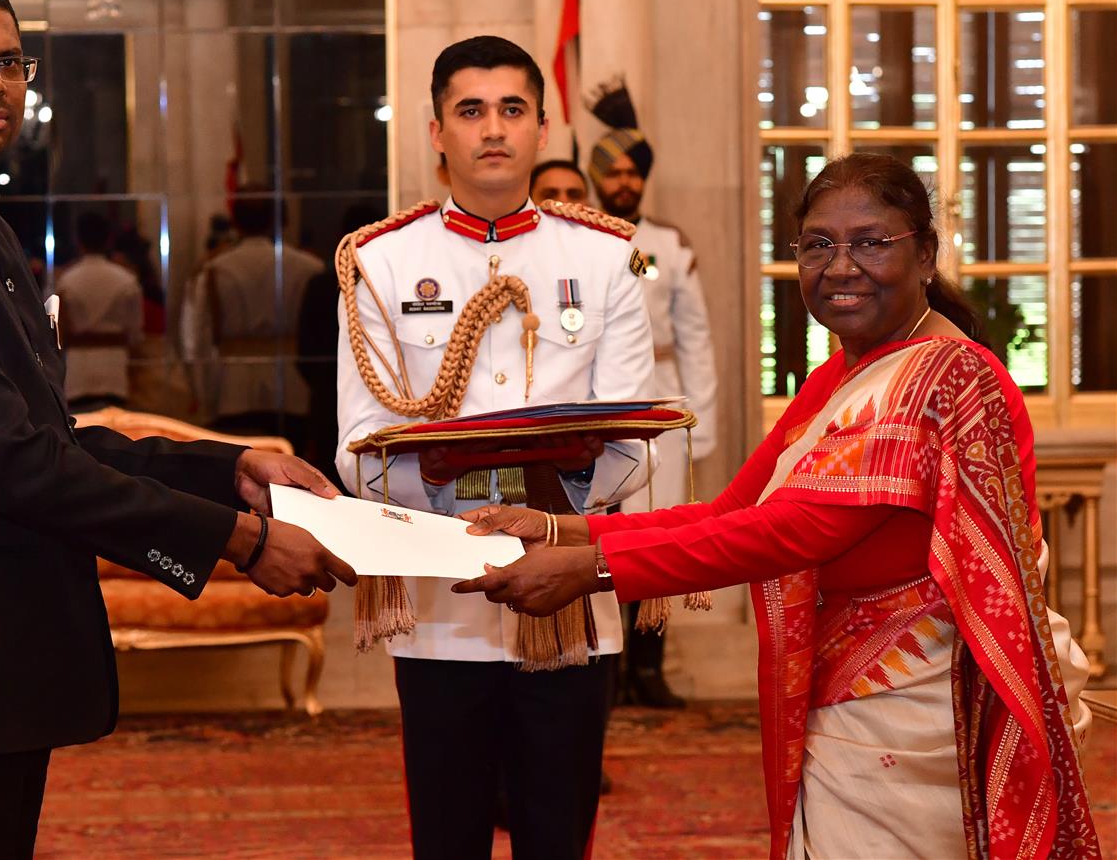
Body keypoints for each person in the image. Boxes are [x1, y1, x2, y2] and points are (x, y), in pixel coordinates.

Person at [0, 0, 355, 859]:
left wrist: (228, 468)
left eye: (11, 62)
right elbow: (16, 463)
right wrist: (240, 540)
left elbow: (50, 439)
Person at [454, 152, 1098, 859]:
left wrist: (590, 571)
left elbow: (792, 532)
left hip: (927, 713)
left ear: (925, 255)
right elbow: (733, 510)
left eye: (871, 242)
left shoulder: (947, 378)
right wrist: (559, 527)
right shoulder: (840, 375)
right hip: (850, 701)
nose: (841, 267)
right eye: (818, 245)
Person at [335, 36, 655, 860]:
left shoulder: (608, 258)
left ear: (543, 128)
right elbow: (359, 449)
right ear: (436, 131)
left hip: (570, 591)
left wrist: (562, 488)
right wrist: (453, 486)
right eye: (470, 110)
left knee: (558, 835)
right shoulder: (381, 263)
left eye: (512, 109)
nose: (492, 129)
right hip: (444, 604)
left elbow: (637, 443)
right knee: (448, 838)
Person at [586, 80, 718, 708]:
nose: (624, 183)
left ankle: (648, 667)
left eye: (633, 173)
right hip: (595, 411)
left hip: (660, 410)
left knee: (655, 542)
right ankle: (605, 669)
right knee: (599, 540)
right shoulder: (582, 242)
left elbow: (696, 338)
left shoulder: (664, 247)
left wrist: (702, 421)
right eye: (613, 172)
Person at [181, 186, 325, 438]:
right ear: (280, 219)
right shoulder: (310, 267)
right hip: (293, 384)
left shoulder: (215, 268)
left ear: (235, 220)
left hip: (232, 387)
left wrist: (202, 391)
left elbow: (199, 335)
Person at [55, 210, 142, 410]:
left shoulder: (67, 280)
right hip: (115, 370)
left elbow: (58, 333)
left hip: (77, 372)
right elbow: (135, 334)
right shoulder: (127, 280)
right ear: (109, 240)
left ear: (78, 240)